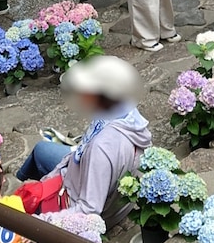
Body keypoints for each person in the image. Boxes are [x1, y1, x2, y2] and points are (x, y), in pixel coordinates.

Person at [17, 56, 151, 225]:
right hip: (94, 184)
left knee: (19, 210)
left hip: (80, 204)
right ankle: (25, 182)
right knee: (42, 150)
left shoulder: (101, 147)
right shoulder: (127, 114)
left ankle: (21, 191)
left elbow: (89, 211)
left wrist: (43, 220)